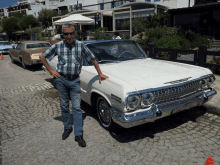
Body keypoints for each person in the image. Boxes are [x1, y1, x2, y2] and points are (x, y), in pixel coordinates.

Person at [39, 24, 108, 147]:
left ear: (75, 34)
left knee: (76, 107)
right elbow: (42, 57)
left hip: (75, 80)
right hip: (61, 80)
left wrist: (100, 73)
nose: (69, 36)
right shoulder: (58, 46)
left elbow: (92, 59)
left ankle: (78, 134)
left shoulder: (81, 46)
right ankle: (67, 128)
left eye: (71, 33)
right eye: (66, 34)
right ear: (63, 35)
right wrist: (51, 71)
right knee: (64, 105)